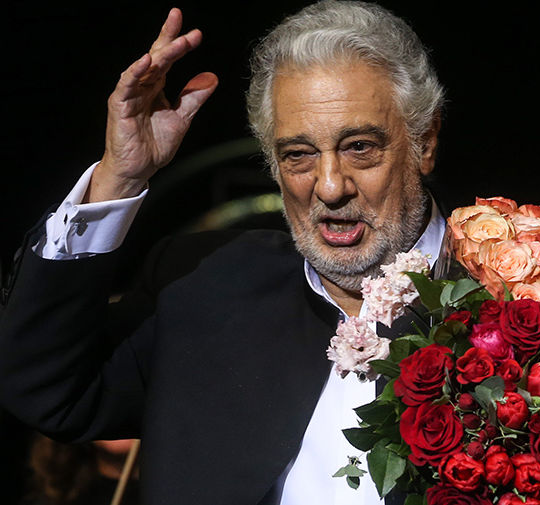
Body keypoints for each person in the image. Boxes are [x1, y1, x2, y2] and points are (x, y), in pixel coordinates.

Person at [0, 2, 444, 504]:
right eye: (298, 154)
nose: (329, 186)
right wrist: (118, 177)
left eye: (359, 147)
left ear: (424, 143)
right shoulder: (203, 284)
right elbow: (47, 390)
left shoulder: (507, 298)